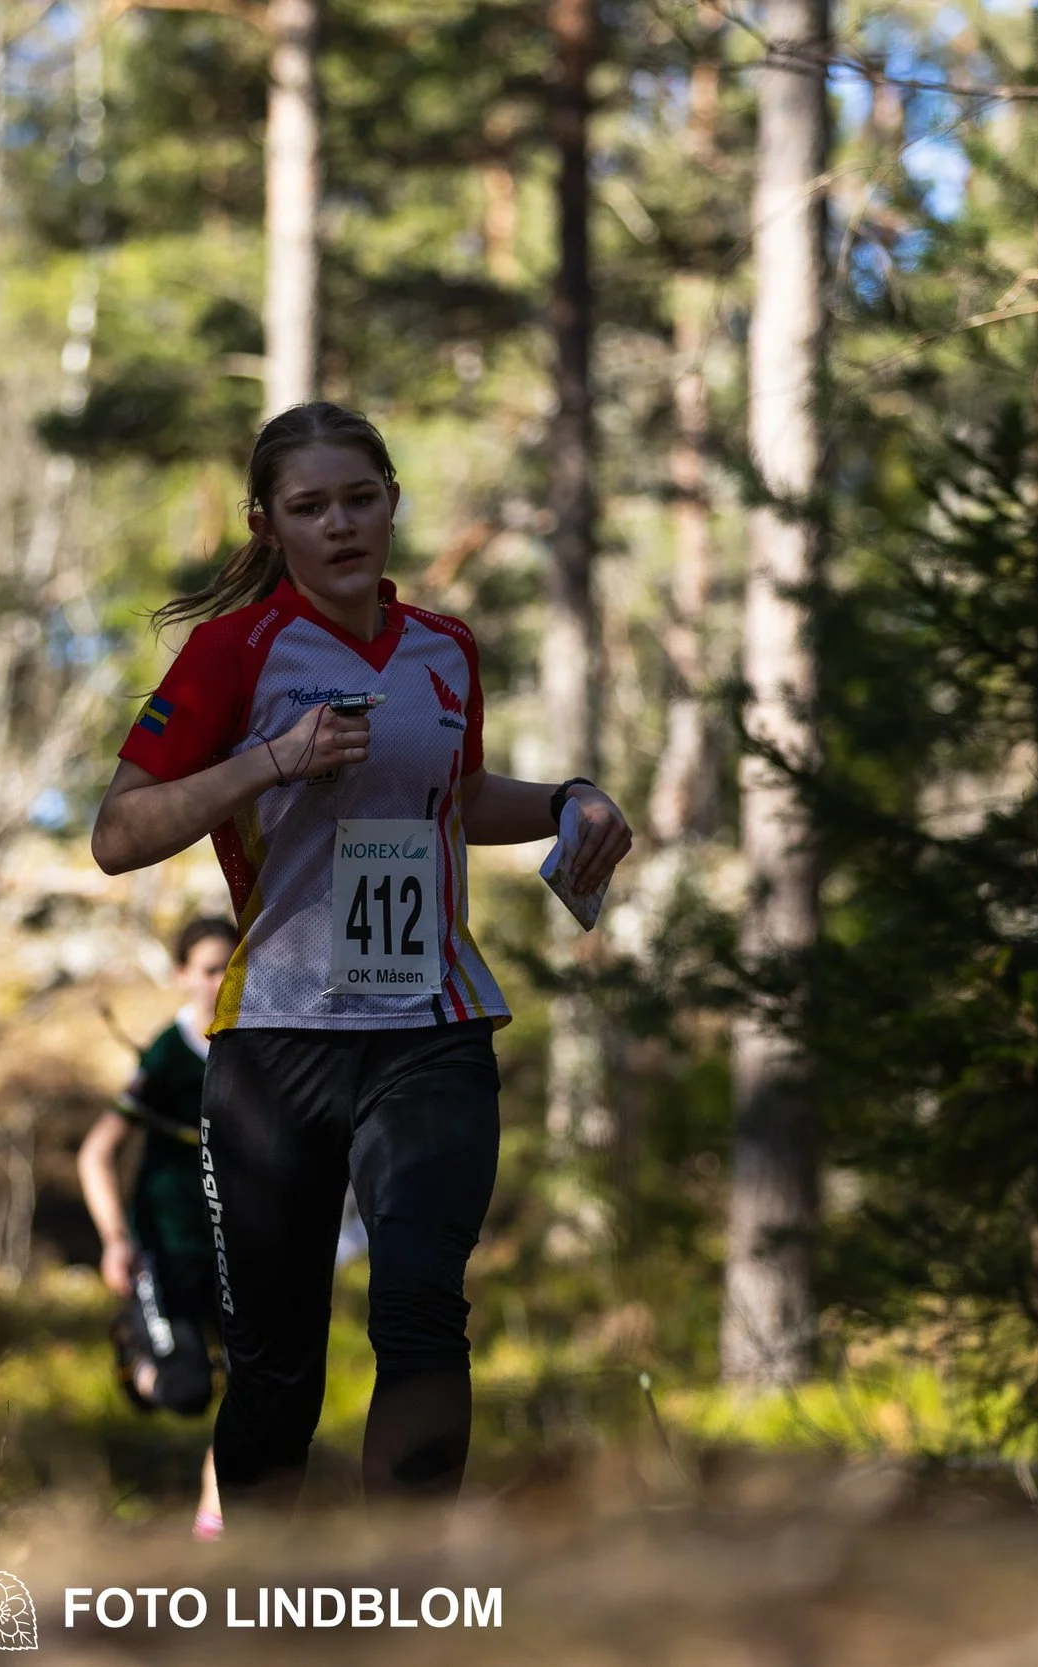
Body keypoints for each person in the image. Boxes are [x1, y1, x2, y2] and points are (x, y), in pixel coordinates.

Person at [88, 402, 635, 1518]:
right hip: (277, 1037)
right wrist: (269, 761)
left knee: (422, 1308)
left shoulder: (445, 647)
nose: (339, 525)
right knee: (277, 1357)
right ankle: (260, 1605)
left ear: (391, 500)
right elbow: (118, 834)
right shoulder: (231, 651)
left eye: (360, 498)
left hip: (429, 1027)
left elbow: (458, 797)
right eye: (309, 507)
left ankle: (406, 1588)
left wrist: (568, 801)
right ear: (268, 522)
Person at [78, 916, 238, 1539]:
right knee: (186, 1389)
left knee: (255, 1386)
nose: (220, 980)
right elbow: (96, 1152)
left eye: (232, 965)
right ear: (181, 976)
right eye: (206, 968)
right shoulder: (166, 1055)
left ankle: (214, 1520)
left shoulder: (256, 1046)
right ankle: (136, 1361)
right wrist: (117, 1240)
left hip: (238, 1247)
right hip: (165, 1247)